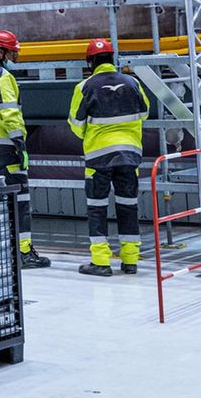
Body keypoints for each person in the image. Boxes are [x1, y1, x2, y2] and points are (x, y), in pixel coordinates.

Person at [0, 29, 52, 269]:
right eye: (12, 54)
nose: (15, 59)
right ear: (0, 52)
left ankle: (4, 250)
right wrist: (20, 143)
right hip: (6, 146)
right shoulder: (3, 76)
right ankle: (23, 253)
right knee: (20, 200)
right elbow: (10, 112)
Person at [68, 38, 150, 277]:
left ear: (90, 62)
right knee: (128, 206)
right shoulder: (132, 82)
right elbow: (144, 112)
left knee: (97, 208)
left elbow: (75, 124)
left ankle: (101, 262)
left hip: (98, 157)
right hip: (129, 155)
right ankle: (130, 260)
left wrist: (94, 135)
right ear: (112, 59)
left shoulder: (84, 87)